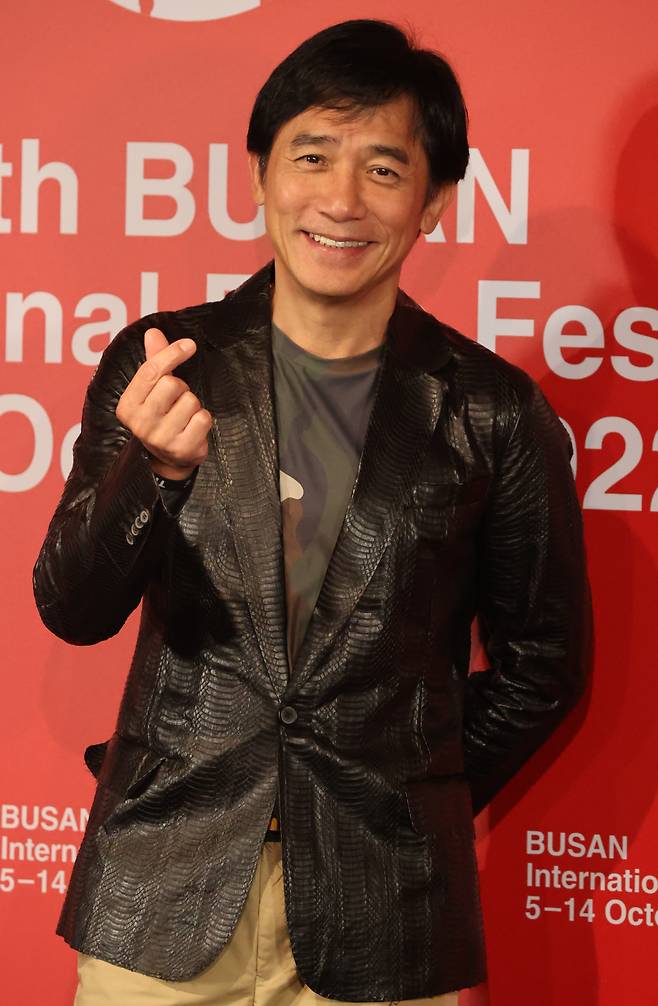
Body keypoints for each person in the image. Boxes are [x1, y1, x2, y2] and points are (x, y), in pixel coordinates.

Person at [33, 18, 592, 1006]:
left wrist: (403, 789)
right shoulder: (164, 362)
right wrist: (152, 476)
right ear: (258, 176)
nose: (339, 199)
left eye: (383, 168)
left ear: (435, 201)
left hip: (388, 912)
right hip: (162, 893)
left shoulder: (493, 413)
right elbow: (72, 607)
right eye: (311, 155)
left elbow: (543, 666)